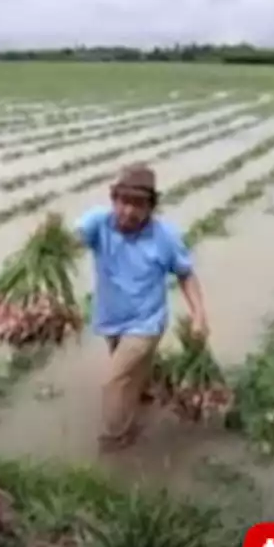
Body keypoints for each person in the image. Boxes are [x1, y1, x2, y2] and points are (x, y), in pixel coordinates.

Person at [73, 162, 210, 452]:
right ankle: (147, 390)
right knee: (133, 374)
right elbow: (74, 238)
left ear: (151, 207)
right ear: (114, 200)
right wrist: (56, 244)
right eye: (124, 202)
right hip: (111, 318)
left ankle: (117, 437)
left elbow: (185, 274)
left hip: (147, 324)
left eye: (139, 205)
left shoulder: (165, 237)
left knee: (114, 382)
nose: (129, 212)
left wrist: (199, 315)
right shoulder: (99, 222)